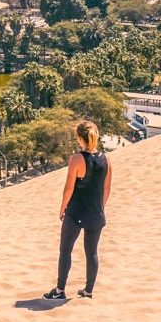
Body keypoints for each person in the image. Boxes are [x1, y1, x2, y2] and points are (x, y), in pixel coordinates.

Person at [43, 120, 112, 301]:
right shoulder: (107, 159)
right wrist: (99, 207)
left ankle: (59, 291)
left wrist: (62, 207)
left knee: (65, 250)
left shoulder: (76, 159)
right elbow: (106, 189)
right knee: (92, 252)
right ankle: (88, 291)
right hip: (96, 214)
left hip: (76, 213)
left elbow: (68, 189)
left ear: (80, 139)